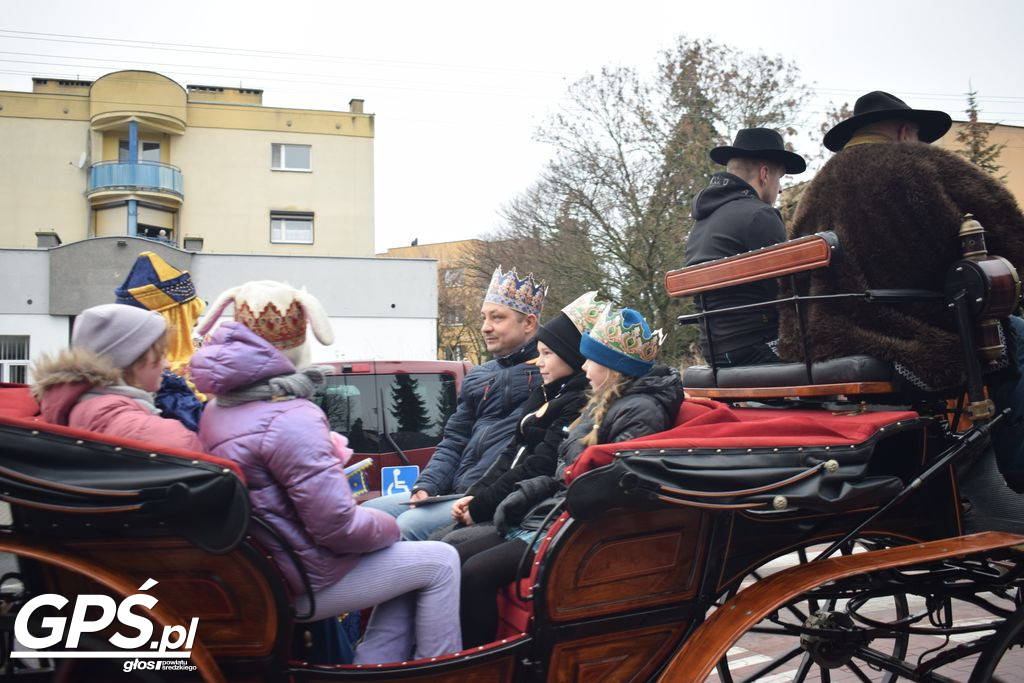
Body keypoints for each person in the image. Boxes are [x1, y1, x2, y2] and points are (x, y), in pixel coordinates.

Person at [189, 281, 461, 663]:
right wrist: (389, 528)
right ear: (300, 341)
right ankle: (442, 672)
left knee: (411, 561)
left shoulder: (220, 408)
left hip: (270, 567)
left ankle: (376, 666)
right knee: (441, 561)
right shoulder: (290, 416)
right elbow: (336, 525)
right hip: (304, 578)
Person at [776, 90, 1024, 490]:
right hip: (920, 340)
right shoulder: (925, 165)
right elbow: (1010, 239)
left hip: (826, 341)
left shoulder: (816, 189)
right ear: (907, 131)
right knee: (1017, 335)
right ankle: (1017, 470)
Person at [458, 304, 685, 648]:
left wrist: (533, 494)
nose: (585, 367)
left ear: (613, 367)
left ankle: (484, 667)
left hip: (578, 524)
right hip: (555, 512)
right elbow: (564, 469)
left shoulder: (639, 410)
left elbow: (612, 482)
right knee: (455, 553)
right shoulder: (602, 401)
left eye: (591, 360)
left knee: (476, 574)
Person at [364, 266, 546, 540]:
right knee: (369, 513)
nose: (485, 327)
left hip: (489, 493)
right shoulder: (479, 376)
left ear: (529, 323)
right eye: (484, 317)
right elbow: (454, 440)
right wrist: (426, 485)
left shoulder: (547, 374)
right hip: (451, 488)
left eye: (497, 318)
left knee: (410, 525)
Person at [441, 291, 604, 552]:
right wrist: (476, 493)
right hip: (494, 494)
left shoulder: (576, 402)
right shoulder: (544, 394)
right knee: (439, 540)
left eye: (547, 353)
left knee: (444, 545)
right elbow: (509, 451)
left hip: (527, 504)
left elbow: (540, 463)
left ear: (572, 356)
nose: (539, 362)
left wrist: (482, 504)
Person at [685, 128, 806, 367]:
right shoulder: (760, 215)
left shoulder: (700, 225)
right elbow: (786, 295)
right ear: (764, 174)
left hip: (715, 354)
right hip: (757, 350)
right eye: (779, 178)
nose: (780, 189)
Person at [30, 303, 203, 451]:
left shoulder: (94, 407)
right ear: (132, 360)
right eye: (160, 354)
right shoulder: (126, 422)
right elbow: (189, 449)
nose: (166, 364)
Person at [115, 251, 206, 431]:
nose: (196, 322)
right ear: (173, 320)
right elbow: (205, 429)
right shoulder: (161, 383)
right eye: (189, 315)